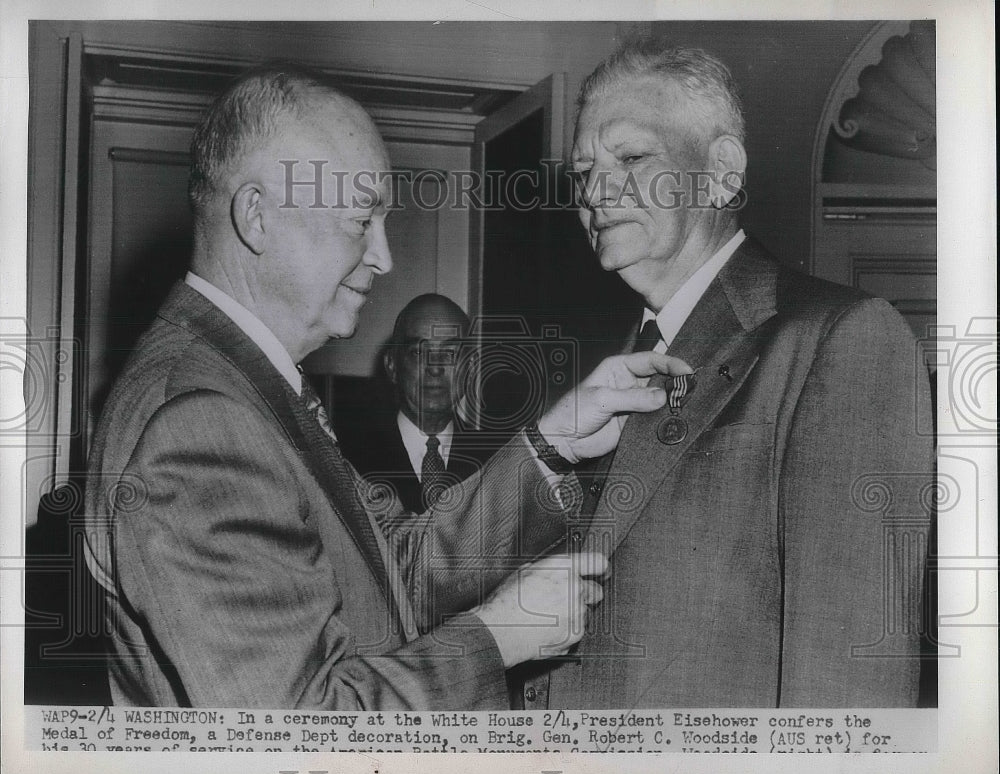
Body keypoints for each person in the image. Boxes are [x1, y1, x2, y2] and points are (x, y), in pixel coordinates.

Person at [81, 63, 688, 710]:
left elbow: (392, 567)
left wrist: (554, 441)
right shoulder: (200, 424)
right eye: (360, 220)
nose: (385, 256)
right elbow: (303, 729)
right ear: (257, 216)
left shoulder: (240, 386)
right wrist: (499, 637)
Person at [514, 41, 934, 709]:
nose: (594, 192)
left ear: (721, 171)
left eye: (631, 158)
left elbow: (849, 690)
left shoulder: (840, 340)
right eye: (583, 170)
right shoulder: (608, 370)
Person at [341, 294, 495, 514]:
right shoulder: (347, 460)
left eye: (450, 353)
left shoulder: (495, 463)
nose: (435, 368)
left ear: (470, 368)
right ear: (392, 366)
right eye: (419, 352)